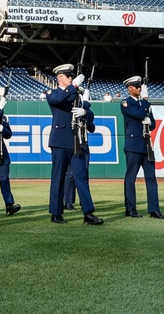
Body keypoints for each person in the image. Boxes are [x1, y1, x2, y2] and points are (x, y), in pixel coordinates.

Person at [45, 63, 103, 225]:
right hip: (60, 141)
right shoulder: (53, 92)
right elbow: (59, 99)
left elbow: (89, 114)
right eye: (68, 76)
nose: (71, 78)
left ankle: (88, 213)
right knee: (58, 177)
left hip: (77, 141)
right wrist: (75, 86)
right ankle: (56, 213)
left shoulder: (75, 95)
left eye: (72, 76)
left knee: (81, 177)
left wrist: (85, 112)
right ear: (59, 78)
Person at [120, 76, 164, 220]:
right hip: (134, 145)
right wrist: (145, 103)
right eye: (136, 86)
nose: (139, 89)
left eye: (140, 86)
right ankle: (130, 208)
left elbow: (153, 124)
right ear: (129, 88)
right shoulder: (126, 103)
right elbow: (139, 114)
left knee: (151, 178)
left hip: (146, 145)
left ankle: (154, 209)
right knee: (130, 178)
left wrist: (148, 120)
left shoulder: (143, 103)